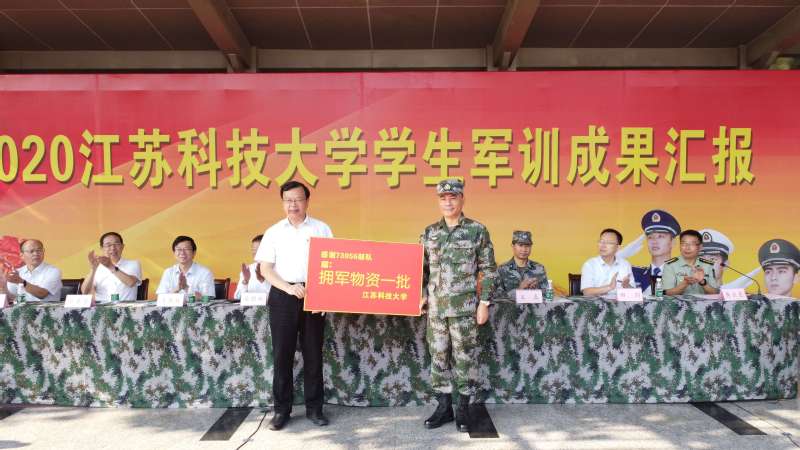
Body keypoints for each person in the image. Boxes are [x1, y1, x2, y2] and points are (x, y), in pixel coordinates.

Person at [420, 178, 497, 433]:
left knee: (465, 358)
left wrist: (484, 303)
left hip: (465, 309)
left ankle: (463, 408)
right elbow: (420, 269)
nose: (448, 202)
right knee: (438, 356)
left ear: (462, 199)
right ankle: (444, 407)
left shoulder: (477, 230)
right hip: (436, 310)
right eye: (443, 198)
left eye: (453, 197)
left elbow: (488, 269)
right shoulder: (429, 233)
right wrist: (420, 294)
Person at [255, 181, 333, 431]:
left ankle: (315, 408)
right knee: (282, 355)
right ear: (282, 203)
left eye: (298, 199)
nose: (293, 205)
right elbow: (265, 269)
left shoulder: (321, 228)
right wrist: (288, 288)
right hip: (283, 296)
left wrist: (324, 297)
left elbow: (332, 264)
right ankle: (281, 410)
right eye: (288, 200)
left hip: (313, 295)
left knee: (313, 354)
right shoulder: (273, 232)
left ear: (307, 201)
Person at [80, 232, 142, 302]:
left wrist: (110, 266)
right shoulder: (97, 267)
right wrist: (93, 269)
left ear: (122, 247)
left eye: (116, 244)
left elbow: (131, 283)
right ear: (102, 248)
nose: (113, 248)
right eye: (108, 245)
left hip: (125, 307)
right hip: (101, 307)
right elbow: (85, 292)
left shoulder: (133, 264)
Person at [630, 210, 681, 295]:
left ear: (672, 242)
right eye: (650, 237)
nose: (654, 241)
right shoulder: (633, 273)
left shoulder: (682, 275)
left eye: (661, 236)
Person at [0, 239, 62, 303]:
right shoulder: (17, 273)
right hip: (21, 308)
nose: (36, 254)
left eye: (39, 250)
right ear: (22, 255)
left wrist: (21, 281)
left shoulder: (53, 271)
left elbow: (42, 294)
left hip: (45, 309)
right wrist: (3, 287)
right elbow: (12, 298)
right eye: (31, 251)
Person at [494, 230, 548, 301]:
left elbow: (547, 294)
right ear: (513, 246)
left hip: (534, 308)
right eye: (520, 245)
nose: (524, 249)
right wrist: (519, 290)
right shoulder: (502, 269)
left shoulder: (539, 268)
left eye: (527, 246)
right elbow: (496, 296)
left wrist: (535, 290)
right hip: (511, 308)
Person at [662, 230, 720, 296]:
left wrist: (703, 282)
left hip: (702, 302)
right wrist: (684, 283)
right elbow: (666, 293)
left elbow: (715, 293)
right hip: (678, 303)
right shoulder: (670, 265)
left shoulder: (708, 265)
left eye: (692, 244)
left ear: (700, 247)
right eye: (684, 244)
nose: (687, 248)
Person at [580, 228, 634, 297]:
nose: (603, 245)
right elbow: (587, 292)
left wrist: (627, 286)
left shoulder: (625, 264)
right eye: (601, 241)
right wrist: (609, 287)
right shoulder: (590, 265)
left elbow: (634, 292)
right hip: (596, 303)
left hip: (619, 303)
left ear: (618, 247)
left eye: (608, 243)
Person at [233, 234, 271, 300]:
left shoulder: (278, 270)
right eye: (253, 250)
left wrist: (262, 280)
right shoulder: (248, 270)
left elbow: (278, 298)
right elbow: (237, 297)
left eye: (258, 250)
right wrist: (245, 281)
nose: (255, 253)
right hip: (249, 306)